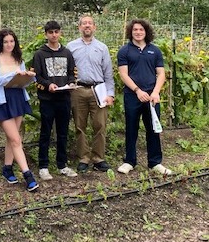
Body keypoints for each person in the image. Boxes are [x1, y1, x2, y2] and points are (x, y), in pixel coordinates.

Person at [116, 19, 171, 175]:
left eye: (141, 30)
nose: (138, 32)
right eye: (135, 30)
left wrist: (155, 92)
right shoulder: (124, 51)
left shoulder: (155, 51)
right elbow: (123, 74)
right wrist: (138, 91)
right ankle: (129, 161)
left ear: (146, 32)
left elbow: (161, 74)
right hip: (133, 96)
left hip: (152, 97)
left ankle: (155, 162)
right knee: (131, 128)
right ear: (130, 32)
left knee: (153, 129)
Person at [0, 28, 38, 192]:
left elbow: (23, 80)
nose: (9, 44)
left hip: (17, 98)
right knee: (16, 140)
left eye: (11, 41)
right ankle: (28, 175)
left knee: (12, 138)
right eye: (6, 41)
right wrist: (12, 75)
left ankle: (7, 168)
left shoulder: (18, 58)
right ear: (0, 43)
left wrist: (27, 76)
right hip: (2, 100)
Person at [66, 15, 115, 173]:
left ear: (95, 27)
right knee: (80, 126)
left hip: (98, 90)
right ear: (79, 27)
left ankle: (98, 157)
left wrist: (110, 94)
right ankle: (84, 157)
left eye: (90, 23)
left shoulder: (102, 48)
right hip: (78, 90)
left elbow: (108, 73)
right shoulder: (71, 47)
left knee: (100, 125)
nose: (87, 26)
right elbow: (66, 70)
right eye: (84, 23)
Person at [32, 21, 77, 181]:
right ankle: (43, 166)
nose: (54, 35)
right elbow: (36, 76)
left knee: (63, 133)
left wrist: (71, 82)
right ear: (46, 34)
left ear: (60, 33)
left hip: (64, 98)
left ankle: (62, 164)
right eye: (50, 32)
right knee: (46, 132)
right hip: (48, 99)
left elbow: (72, 72)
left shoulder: (67, 53)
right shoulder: (39, 54)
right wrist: (47, 85)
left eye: (56, 32)